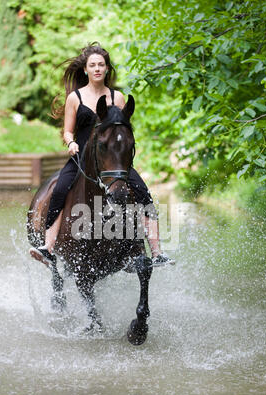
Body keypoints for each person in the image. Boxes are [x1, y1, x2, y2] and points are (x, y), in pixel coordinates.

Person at [30, 43, 173, 268]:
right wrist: (71, 142)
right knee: (59, 189)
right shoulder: (75, 98)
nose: (97, 69)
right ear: (85, 70)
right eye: (93, 65)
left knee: (143, 192)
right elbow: (68, 130)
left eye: (101, 65)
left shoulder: (118, 97)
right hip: (83, 157)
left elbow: (122, 132)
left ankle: (156, 252)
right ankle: (48, 247)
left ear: (107, 69)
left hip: (111, 160)